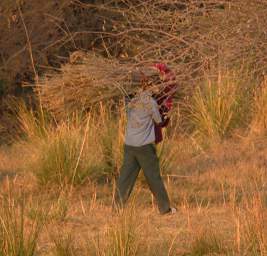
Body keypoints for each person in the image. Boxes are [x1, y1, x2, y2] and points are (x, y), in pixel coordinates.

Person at [115, 69, 176, 215]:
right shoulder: (149, 101)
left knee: (125, 177)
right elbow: (159, 121)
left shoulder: (129, 100)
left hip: (130, 144)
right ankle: (165, 209)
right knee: (154, 177)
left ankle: (117, 208)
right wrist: (166, 111)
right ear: (147, 84)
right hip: (144, 147)